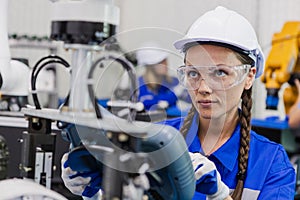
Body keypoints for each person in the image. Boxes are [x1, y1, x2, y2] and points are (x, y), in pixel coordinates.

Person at [60, 6, 296, 200]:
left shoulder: (271, 164)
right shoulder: (154, 138)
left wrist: (222, 196)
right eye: (193, 73)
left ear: (249, 76)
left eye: (221, 73)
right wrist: (94, 193)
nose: (203, 88)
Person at [135, 42, 190, 111]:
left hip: (171, 120)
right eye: (160, 62)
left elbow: (192, 100)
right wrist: (173, 93)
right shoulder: (139, 84)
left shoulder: (172, 81)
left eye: (165, 60)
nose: (165, 64)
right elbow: (147, 103)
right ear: (150, 66)